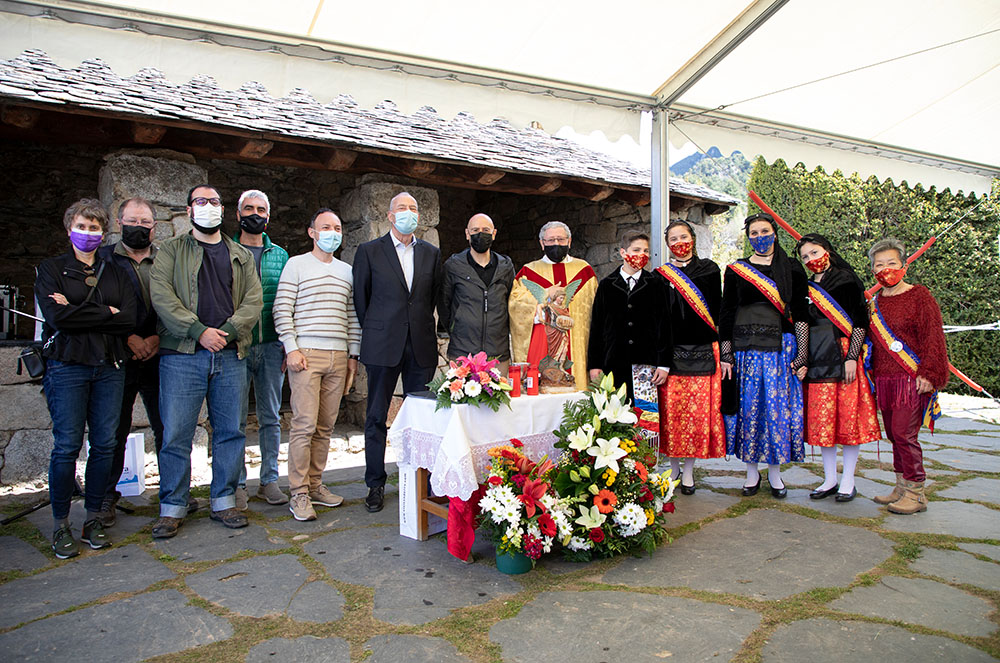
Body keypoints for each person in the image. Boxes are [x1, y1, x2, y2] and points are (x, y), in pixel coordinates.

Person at [149, 184, 263, 538]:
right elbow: (162, 297)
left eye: (214, 201)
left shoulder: (240, 254)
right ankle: (172, 506)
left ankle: (225, 500)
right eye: (201, 201)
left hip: (230, 356)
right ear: (189, 210)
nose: (208, 206)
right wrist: (198, 331)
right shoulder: (169, 250)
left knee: (231, 432)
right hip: (182, 356)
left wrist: (227, 331)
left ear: (223, 210)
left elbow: (254, 300)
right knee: (177, 435)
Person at [35, 198, 136, 558]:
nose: (88, 233)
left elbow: (128, 319)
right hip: (68, 367)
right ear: (69, 230)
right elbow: (56, 319)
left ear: (103, 231)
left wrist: (76, 309)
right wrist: (102, 312)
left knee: (106, 444)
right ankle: (61, 523)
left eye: (94, 228)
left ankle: (93, 518)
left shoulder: (116, 272)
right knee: (66, 446)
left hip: (109, 366)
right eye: (82, 227)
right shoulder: (51, 269)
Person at [353, 191, 441, 513]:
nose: (408, 213)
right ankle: (375, 483)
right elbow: (361, 300)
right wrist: (380, 328)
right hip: (382, 344)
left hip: (419, 344)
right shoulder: (369, 251)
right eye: (402, 208)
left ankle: (422, 482)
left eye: (413, 208)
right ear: (390, 216)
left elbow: (430, 298)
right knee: (376, 416)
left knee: (423, 418)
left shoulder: (431, 254)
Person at [274, 208, 361, 521]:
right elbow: (282, 309)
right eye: (325, 227)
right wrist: (291, 348)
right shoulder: (296, 265)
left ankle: (315, 485)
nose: (332, 232)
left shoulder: (347, 271)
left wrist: (353, 355)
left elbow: (352, 316)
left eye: (337, 227)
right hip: (307, 355)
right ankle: (297, 493)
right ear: (311, 231)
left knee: (325, 426)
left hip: (338, 357)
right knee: (304, 424)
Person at [720, 213, 809, 498]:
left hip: (780, 351)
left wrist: (802, 355)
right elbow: (727, 313)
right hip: (745, 352)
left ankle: (775, 474)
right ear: (748, 238)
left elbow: (802, 316)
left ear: (775, 233)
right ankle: (750, 473)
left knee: (776, 412)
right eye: (754, 233)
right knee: (749, 411)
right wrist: (726, 354)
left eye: (765, 231)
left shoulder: (792, 268)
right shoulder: (736, 270)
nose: (760, 237)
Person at [95, 198, 167, 527]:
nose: (139, 226)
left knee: (168, 428)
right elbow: (94, 305)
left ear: (154, 227)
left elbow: (181, 300)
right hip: (118, 356)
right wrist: (129, 339)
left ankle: (173, 493)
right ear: (119, 222)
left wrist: (156, 338)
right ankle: (106, 497)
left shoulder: (167, 258)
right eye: (132, 220)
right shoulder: (102, 260)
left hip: (160, 354)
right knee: (113, 431)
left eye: (145, 221)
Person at [865, 237, 948, 514]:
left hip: (910, 378)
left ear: (904, 265)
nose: (885, 269)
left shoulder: (919, 296)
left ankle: (916, 492)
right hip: (885, 379)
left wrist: (929, 372)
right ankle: (900, 486)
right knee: (893, 433)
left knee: (905, 434)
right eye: (879, 265)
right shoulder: (876, 302)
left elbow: (933, 337)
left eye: (891, 263)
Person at [797, 233, 881, 502]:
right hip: (818, 358)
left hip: (844, 354)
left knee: (847, 418)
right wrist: (802, 358)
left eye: (815, 252)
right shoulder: (806, 288)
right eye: (805, 256)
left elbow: (859, 321)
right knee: (825, 421)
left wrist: (852, 357)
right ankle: (829, 479)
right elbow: (803, 325)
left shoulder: (846, 279)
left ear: (827, 251)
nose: (811, 259)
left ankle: (848, 480)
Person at [654, 221, 726, 494]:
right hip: (673, 354)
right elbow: (659, 320)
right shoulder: (661, 276)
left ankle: (689, 472)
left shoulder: (709, 270)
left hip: (703, 351)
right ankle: (672, 468)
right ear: (668, 244)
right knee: (673, 416)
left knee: (696, 416)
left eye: (683, 236)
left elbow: (718, 311)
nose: (679, 242)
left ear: (693, 239)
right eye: (673, 238)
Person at [233, 189, 289, 509]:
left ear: (269, 216)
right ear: (238, 214)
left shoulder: (279, 255)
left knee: (270, 416)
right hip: (237, 347)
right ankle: (237, 483)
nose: (255, 214)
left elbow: (286, 301)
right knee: (235, 418)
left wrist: (285, 343)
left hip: (270, 346)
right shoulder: (226, 251)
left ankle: (269, 480)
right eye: (249, 208)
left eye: (261, 209)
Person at [508, 221, 598, 391]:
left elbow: (596, 312)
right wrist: (545, 295)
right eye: (550, 240)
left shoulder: (585, 271)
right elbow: (515, 304)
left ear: (569, 242)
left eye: (561, 239)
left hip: (578, 350)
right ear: (542, 243)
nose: (556, 244)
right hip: (543, 344)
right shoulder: (528, 272)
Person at [587, 230, 670, 404]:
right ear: (624, 253)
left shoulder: (656, 283)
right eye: (636, 250)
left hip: (647, 364)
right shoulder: (607, 285)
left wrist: (663, 364)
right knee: (615, 417)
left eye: (645, 251)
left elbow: (665, 325)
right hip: (614, 363)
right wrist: (595, 364)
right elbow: (597, 327)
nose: (642, 255)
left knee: (646, 419)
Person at [438, 213, 515, 371]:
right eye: (475, 230)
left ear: (494, 234)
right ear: (467, 234)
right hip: (463, 354)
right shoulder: (453, 266)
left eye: (486, 230)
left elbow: (512, 302)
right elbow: (444, 304)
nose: (481, 234)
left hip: (498, 355)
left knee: (498, 395)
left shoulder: (506, 267)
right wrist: (455, 327)